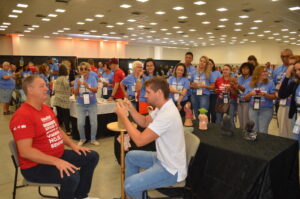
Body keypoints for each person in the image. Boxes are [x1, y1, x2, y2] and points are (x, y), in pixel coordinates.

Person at [9, 75, 99, 199]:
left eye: (46, 85)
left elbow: (57, 130)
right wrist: (57, 162)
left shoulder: (46, 108)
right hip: (35, 166)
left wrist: (73, 146)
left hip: (57, 155)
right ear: (30, 89)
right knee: (72, 176)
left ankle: (80, 196)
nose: (47, 88)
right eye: (42, 86)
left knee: (91, 156)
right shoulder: (22, 116)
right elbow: (25, 151)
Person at [115, 77, 187, 199]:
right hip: (162, 158)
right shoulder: (162, 107)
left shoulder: (167, 114)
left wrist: (123, 117)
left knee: (130, 185)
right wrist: (131, 109)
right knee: (131, 157)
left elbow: (139, 140)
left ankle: (133, 192)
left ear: (158, 93)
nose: (145, 95)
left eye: (148, 92)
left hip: (171, 169)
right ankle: (134, 195)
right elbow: (144, 122)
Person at [244, 66, 276, 134]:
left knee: (263, 130)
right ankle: (255, 143)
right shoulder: (250, 83)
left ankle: (263, 144)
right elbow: (245, 97)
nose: (265, 73)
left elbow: (274, 96)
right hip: (253, 109)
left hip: (266, 110)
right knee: (253, 129)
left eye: (266, 71)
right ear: (257, 73)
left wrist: (264, 94)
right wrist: (250, 94)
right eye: (263, 72)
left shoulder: (270, 83)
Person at [74, 62, 99, 146]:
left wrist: (87, 86)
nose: (83, 70)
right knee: (80, 123)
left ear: (88, 70)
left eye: (85, 69)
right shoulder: (77, 80)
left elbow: (95, 90)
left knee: (93, 122)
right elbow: (75, 94)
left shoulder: (92, 78)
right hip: (80, 104)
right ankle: (82, 138)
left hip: (92, 103)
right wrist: (77, 86)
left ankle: (93, 139)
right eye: (81, 69)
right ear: (79, 70)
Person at [279, 59, 300, 149]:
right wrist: (287, 76)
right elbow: (282, 94)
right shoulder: (295, 83)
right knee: (295, 143)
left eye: (299, 69)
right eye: (295, 70)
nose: (297, 72)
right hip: (296, 116)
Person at [53, 65, 72, 135]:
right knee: (66, 115)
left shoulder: (58, 78)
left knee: (59, 115)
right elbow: (67, 85)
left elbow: (54, 89)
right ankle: (68, 130)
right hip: (64, 99)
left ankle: (56, 128)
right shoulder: (64, 78)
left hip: (57, 98)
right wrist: (72, 83)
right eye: (67, 69)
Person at [236, 62, 254, 129]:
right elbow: (238, 91)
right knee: (240, 121)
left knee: (246, 121)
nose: (244, 70)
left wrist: (238, 86)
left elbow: (247, 92)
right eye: (243, 68)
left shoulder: (252, 79)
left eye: (247, 68)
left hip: (247, 102)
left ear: (250, 70)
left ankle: (246, 135)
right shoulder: (240, 78)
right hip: (239, 101)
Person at [208, 58, 221, 123]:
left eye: (211, 64)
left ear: (213, 64)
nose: (209, 65)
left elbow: (220, 83)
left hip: (214, 94)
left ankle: (214, 124)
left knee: (213, 111)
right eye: (208, 64)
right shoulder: (204, 72)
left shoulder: (217, 73)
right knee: (207, 110)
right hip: (206, 94)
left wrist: (216, 88)